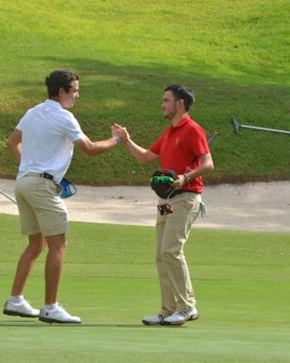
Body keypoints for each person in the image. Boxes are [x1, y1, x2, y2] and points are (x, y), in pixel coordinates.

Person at [4, 69, 126, 324]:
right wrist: (117, 139)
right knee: (58, 244)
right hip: (40, 186)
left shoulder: (32, 111)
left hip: (24, 183)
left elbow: (12, 142)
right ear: (62, 92)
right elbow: (90, 149)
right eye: (75, 90)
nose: (77, 95)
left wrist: (28, 166)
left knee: (37, 245)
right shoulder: (64, 117)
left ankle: (16, 300)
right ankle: (50, 306)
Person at [119, 84, 214, 326]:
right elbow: (145, 158)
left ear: (179, 103)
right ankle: (168, 309)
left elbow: (208, 163)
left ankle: (187, 307)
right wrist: (126, 140)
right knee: (162, 255)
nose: (162, 104)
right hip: (166, 201)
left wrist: (186, 177)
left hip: (186, 198)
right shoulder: (170, 132)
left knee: (171, 250)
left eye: (166, 100)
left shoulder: (192, 129)